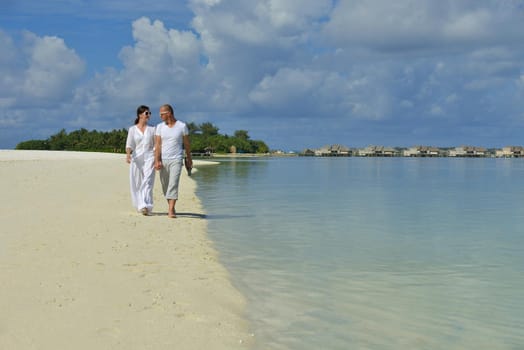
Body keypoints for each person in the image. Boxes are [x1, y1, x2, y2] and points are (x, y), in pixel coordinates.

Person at [154, 104, 193, 218]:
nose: (160, 116)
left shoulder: (182, 126)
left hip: (176, 159)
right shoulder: (160, 127)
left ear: (169, 113)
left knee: (173, 184)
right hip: (163, 159)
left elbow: (186, 144)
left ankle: (170, 210)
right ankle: (172, 205)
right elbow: (158, 144)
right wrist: (157, 160)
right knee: (165, 186)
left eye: (162, 114)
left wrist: (189, 159)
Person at [125, 105, 156, 216]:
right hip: (137, 158)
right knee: (137, 182)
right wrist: (128, 155)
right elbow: (129, 144)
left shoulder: (153, 129)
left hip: (150, 157)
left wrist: (157, 158)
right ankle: (141, 205)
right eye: (147, 113)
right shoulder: (132, 129)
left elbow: (156, 145)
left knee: (148, 181)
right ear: (140, 115)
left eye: (149, 113)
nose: (149, 115)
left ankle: (146, 205)